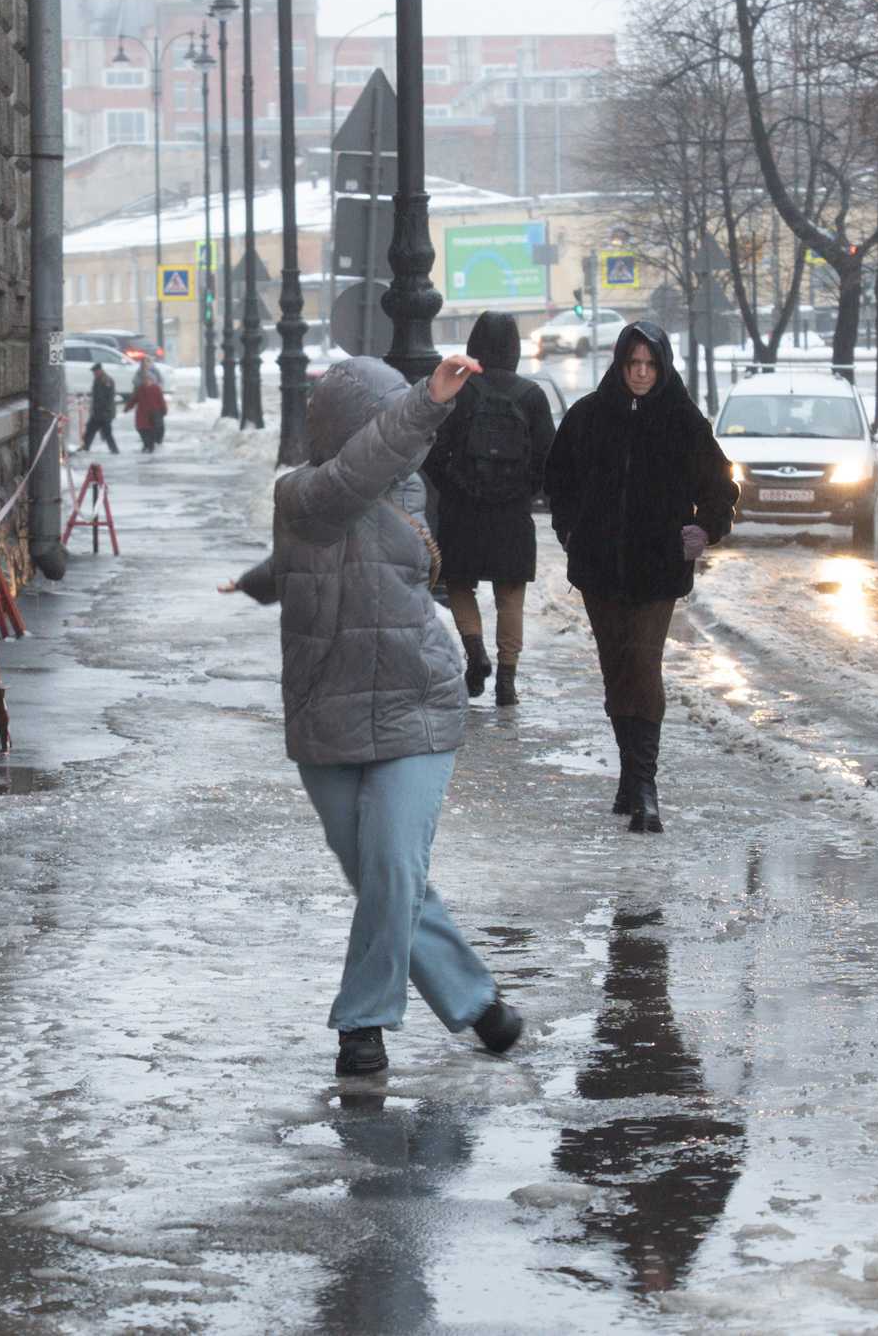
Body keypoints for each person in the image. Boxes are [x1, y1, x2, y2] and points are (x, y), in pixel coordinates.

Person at [222, 353, 526, 1078]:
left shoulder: (406, 487)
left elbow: (368, 480)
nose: (408, 442)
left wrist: (426, 403)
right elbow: (322, 519)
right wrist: (261, 583)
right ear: (351, 428)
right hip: (326, 710)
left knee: (392, 862)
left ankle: (363, 1024)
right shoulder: (301, 493)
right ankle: (477, 1003)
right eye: (389, 421)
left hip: (415, 702)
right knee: (387, 880)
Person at [543, 322, 738, 834]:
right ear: (620, 364)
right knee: (616, 669)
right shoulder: (588, 416)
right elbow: (557, 479)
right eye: (633, 364)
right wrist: (571, 530)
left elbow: (720, 484)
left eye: (650, 365)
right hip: (599, 569)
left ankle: (645, 787)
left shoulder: (683, 421)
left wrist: (705, 529)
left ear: (663, 365)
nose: (641, 373)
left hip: (658, 567)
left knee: (643, 663)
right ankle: (629, 776)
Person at [422, 311, 556, 707]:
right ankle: (507, 679)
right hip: (511, 514)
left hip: (463, 511)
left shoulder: (461, 391)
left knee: (461, 584)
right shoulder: (532, 395)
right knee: (510, 595)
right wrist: (523, 490)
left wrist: (452, 488)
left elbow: (432, 448)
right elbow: (548, 457)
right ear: (515, 348)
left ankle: (475, 652)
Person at [127, 362, 167, 453]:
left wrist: (164, 411)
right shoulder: (140, 389)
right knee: (140, 429)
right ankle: (146, 444)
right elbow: (134, 399)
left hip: (152, 414)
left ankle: (149, 446)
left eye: (148, 379)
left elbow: (161, 401)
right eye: (145, 379)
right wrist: (128, 407)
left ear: (151, 380)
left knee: (151, 430)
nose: (146, 381)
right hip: (141, 414)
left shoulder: (156, 389)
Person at [80, 362, 120, 453]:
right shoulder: (97, 379)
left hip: (105, 413)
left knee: (107, 433)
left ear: (100, 371)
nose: (94, 374)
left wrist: (105, 411)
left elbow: (109, 398)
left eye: (95, 372)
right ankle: (85, 447)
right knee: (90, 430)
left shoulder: (106, 380)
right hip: (97, 413)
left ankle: (114, 450)